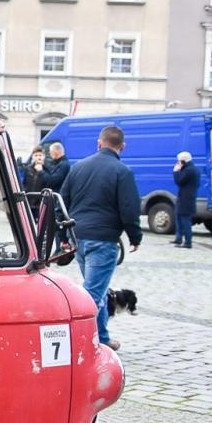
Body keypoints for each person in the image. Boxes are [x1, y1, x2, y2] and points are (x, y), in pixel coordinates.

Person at [58, 125, 142, 352]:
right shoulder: (122, 171)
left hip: (78, 237)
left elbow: (62, 203)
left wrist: (63, 235)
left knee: (99, 290)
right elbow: (129, 208)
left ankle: (102, 337)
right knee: (92, 295)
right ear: (122, 147)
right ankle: (77, 341)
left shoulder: (78, 167)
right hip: (103, 240)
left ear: (99, 143)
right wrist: (135, 236)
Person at [172, 150, 199, 248]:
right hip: (184, 197)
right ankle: (178, 238)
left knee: (185, 220)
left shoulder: (189, 170)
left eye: (179, 161)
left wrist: (176, 172)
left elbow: (179, 181)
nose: (178, 163)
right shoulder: (191, 169)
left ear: (183, 161)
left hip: (186, 199)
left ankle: (188, 242)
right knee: (179, 218)